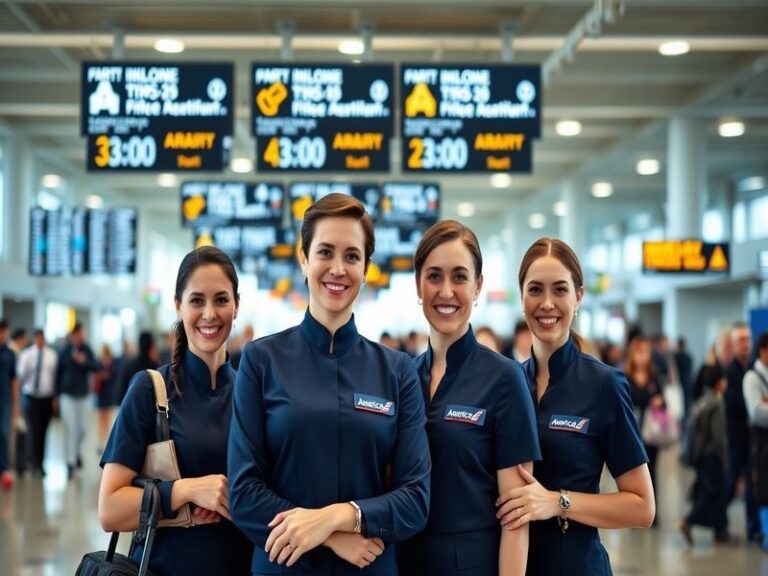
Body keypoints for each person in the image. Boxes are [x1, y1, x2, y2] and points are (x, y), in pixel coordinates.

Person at [229, 193, 430, 575]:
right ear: (303, 259)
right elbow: (244, 493)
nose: (338, 268)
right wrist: (330, 536)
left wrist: (341, 516)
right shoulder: (261, 360)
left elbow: (415, 500)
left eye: (352, 256)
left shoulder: (397, 371)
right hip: (286, 566)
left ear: (366, 268)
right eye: (325, 252)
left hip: (368, 565)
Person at [496, 237, 654, 576]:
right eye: (535, 290)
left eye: (560, 290)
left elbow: (642, 507)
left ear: (578, 296)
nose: (547, 303)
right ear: (521, 297)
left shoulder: (603, 384)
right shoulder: (506, 384)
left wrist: (557, 502)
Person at [98, 246, 252, 576]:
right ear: (178, 305)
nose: (209, 314)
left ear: (237, 305)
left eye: (221, 300)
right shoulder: (151, 390)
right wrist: (185, 490)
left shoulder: (252, 394)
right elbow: (109, 509)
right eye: (197, 301)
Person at [398, 220, 540, 576]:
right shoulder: (401, 377)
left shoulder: (504, 379)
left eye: (459, 277)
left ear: (477, 287)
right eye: (434, 276)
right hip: (402, 561)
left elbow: (516, 516)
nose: (446, 291)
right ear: (418, 285)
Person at [678, 365, 729, 545]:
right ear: (718, 383)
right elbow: (718, 438)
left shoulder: (701, 402)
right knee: (711, 495)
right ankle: (688, 521)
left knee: (709, 493)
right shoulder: (716, 404)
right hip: (713, 457)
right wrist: (725, 462)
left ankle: (720, 531)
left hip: (700, 456)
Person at [724, 321, 760, 542]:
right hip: (735, 436)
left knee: (752, 485)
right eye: (741, 340)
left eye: (748, 339)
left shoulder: (754, 368)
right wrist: (754, 402)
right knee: (730, 482)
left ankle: (753, 528)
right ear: (733, 343)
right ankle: (717, 522)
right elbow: (732, 403)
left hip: (752, 437)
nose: (746, 344)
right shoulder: (730, 371)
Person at [625, 336, 665, 506]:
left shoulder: (654, 376)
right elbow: (626, 401)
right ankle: (634, 509)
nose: (642, 356)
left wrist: (660, 401)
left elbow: (663, 401)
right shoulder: (625, 376)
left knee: (652, 472)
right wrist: (649, 399)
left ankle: (652, 510)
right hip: (631, 432)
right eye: (639, 352)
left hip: (651, 432)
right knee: (631, 475)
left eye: (645, 352)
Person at [55, 322, 98, 479]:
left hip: (84, 395)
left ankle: (76, 451)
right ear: (74, 334)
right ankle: (71, 463)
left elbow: (96, 367)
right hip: (67, 395)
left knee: (83, 429)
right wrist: (56, 395)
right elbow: (58, 373)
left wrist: (83, 361)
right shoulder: (65, 350)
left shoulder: (87, 349)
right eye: (79, 333)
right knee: (71, 428)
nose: (81, 336)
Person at [16, 329, 57, 477]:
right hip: (31, 396)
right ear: (34, 339)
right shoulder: (27, 355)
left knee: (43, 431)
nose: (40, 341)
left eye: (42, 338)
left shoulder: (52, 355)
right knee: (33, 430)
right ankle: (33, 464)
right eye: (37, 338)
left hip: (46, 398)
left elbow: (55, 377)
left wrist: (55, 398)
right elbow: (19, 375)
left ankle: (41, 462)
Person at [743, 331, 768, 551]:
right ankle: (762, 532)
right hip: (761, 445)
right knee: (762, 489)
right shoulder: (752, 378)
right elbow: (757, 412)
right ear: (763, 351)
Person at [0, 319, 19, 490]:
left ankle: (5, 468)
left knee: (4, 434)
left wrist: (16, 404)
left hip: (5, 399)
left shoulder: (10, 353)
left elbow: (14, 380)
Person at [118, 331, 159, 404]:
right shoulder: (156, 369)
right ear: (151, 346)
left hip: (131, 406)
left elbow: (122, 392)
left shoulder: (130, 366)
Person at [93, 344, 119, 454]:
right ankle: (101, 442)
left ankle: (106, 443)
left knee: (107, 419)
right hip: (101, 394)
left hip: (109, 393)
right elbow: (97, 375)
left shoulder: (113, 362)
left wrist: (105, 376)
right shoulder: (99, 362)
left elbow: (114, 376)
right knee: (101, 419)